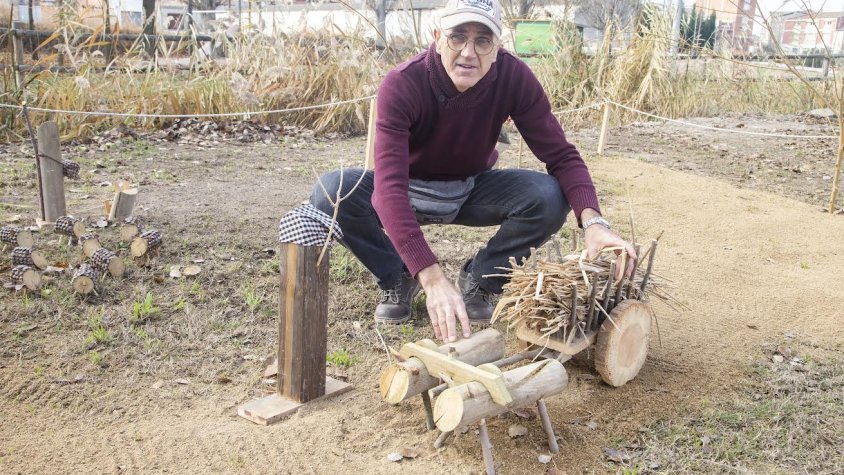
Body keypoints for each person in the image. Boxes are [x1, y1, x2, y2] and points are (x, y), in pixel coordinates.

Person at [310, 0, 636, 343]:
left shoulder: (513, 77)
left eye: (483, 40)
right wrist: (431, 275)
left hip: (470, 187)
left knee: (548, 196)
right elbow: (389, 188)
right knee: (331, 191)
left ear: (497, 48)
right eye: (457, 37)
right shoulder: (403, 84)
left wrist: (594, 222)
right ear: (437, 38)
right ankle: (398, 275)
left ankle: (481, 280)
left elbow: (562, 155)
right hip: (408, 186)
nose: (468, 52)